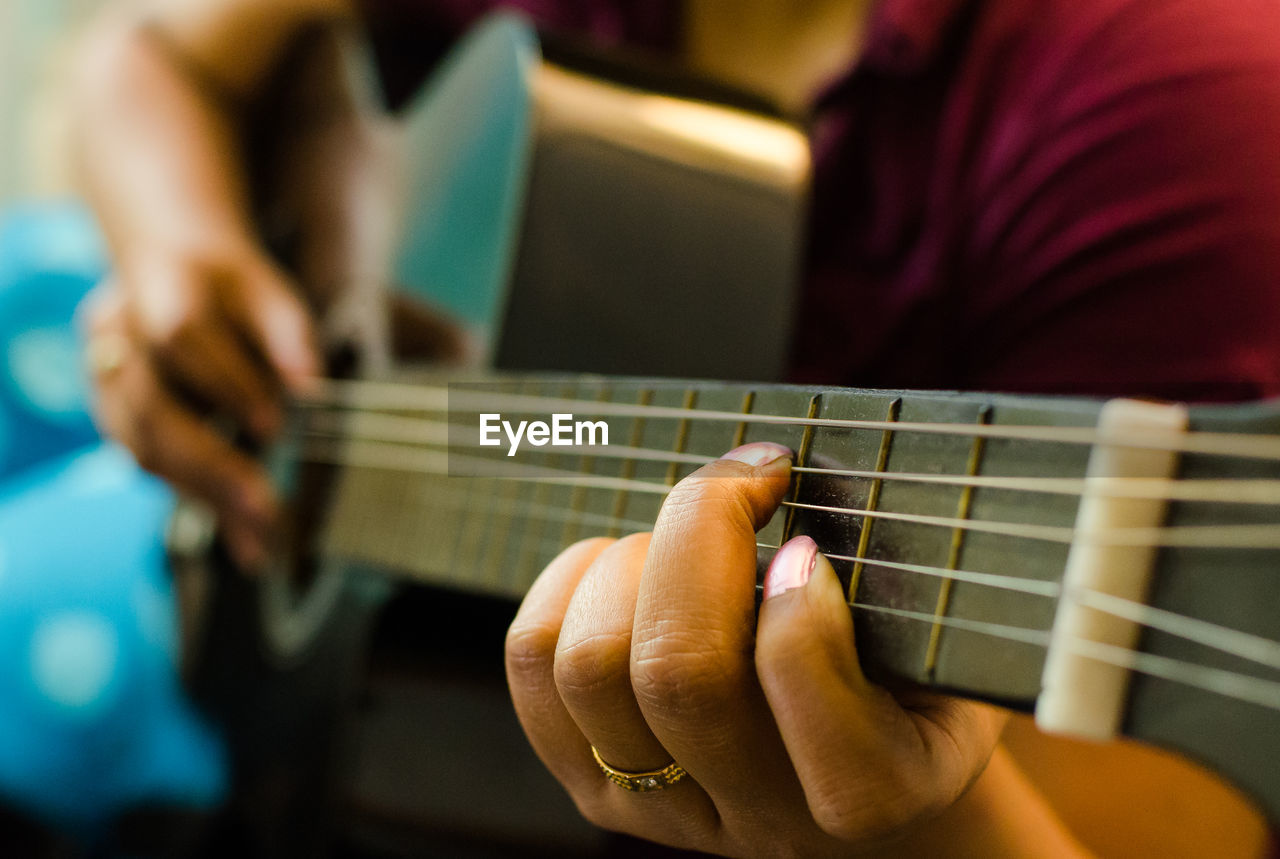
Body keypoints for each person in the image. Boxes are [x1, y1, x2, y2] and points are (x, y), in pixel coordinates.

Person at [73, 0, 1280, 855]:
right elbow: (141, 61)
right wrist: (177, 249)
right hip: (251, 611)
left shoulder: (1179, 102)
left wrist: (908, 833)